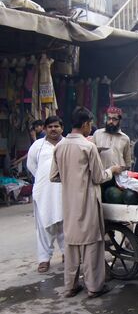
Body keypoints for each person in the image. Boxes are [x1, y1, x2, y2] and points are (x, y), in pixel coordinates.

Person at [50, 107, 122, 298]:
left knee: (71, 243)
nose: (90, 128)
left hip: (69, 201)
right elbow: (99, 177)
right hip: (88, 201)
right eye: (90, 124)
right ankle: (94, 287)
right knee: (92, 244)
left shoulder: (59, 146)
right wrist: (112, 170)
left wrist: (71, 178)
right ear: (84, 125)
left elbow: (54, 176)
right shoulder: (88, 147)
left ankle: (70, 286)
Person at [27, 116, 65, 273]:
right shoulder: (38, 145)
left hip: (64, 191)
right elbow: (31, 165)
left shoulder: (66, 144)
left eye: (56, 126)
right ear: (45, 129)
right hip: (44, 192)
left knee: (65, 225)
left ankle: (67, 253)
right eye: (50, 127)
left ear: (62, 128)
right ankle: (44, 259)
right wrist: (44, 180)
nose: (53, 129)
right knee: (44, 226)